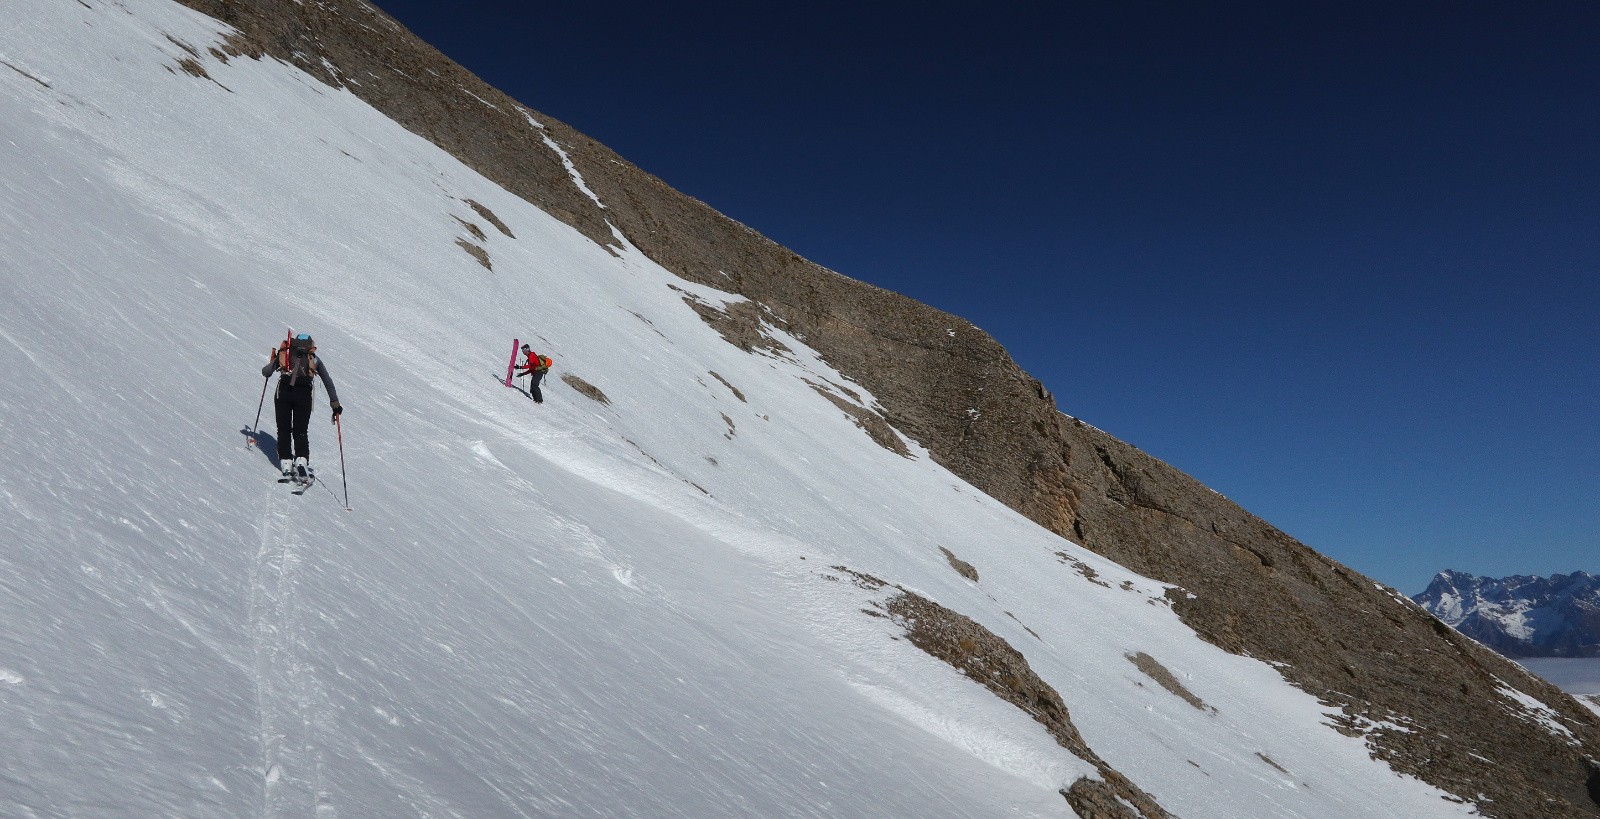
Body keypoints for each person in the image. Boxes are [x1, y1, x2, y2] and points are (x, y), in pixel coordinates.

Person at [262, 333, 342, 481]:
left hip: (283, 393)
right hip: (304, 395)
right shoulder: (313, 358)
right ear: (310, 345)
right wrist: (335, 404)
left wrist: (274, 361)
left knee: (283, 429)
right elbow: (327, 381)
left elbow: (266, 372)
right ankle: (301, 461)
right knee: (300, 430)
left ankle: (286, 463)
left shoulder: (285, 354)